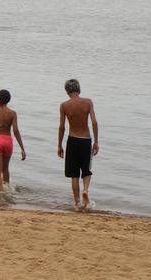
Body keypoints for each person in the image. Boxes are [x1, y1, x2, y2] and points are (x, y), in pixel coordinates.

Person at [58, 78, 99, 210]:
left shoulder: (64, 106)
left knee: (74, 174)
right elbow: (94, 122)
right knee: (86, 171)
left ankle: (77, 203)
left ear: (67, 91)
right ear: (79, 89)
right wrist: (96, 141)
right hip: (86, 140)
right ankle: (85, 190)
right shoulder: (88, 102)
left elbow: (62, 127)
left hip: (72, 140)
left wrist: (59, 145)